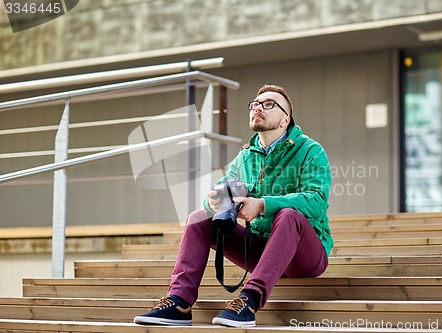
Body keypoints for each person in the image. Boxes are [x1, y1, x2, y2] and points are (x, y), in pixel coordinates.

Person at [134, 84, 333, 327]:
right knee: (199, 217)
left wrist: (262, 204)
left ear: (285, 119)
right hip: (260, 249)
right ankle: (179, 303)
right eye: (255, 104)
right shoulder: (245, 157)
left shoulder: (310, 151)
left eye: (269, 104)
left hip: (305, 255)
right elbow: (214, 196)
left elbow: (317, 201)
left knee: (288, 215)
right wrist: (214, 200)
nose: (258, 107)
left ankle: (248, 301)